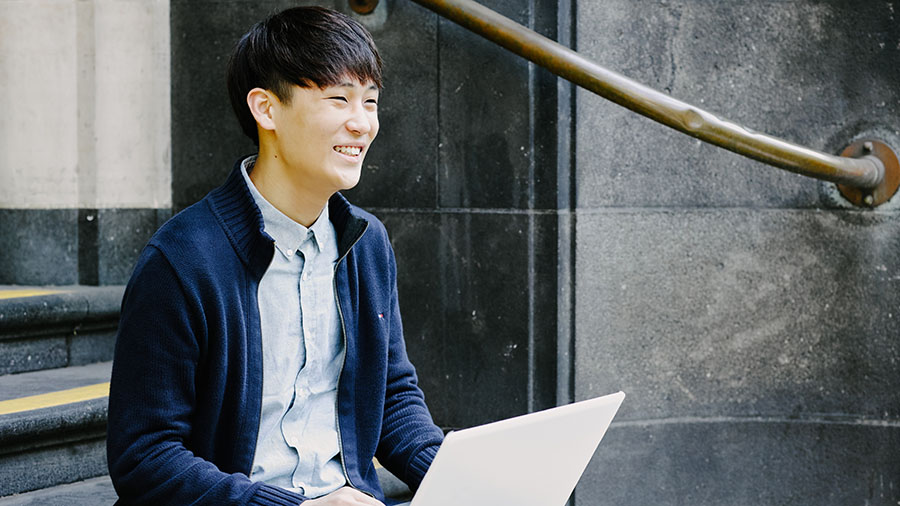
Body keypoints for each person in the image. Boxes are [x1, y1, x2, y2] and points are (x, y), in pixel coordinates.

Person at [106, 7, 444, 505]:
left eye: (370, 102)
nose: (362, 123)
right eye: (339, 99)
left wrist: (459, 476)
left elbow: (392, 397)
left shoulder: (366, 243)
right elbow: (145, 456)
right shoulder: (182, 259)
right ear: (266, 109)